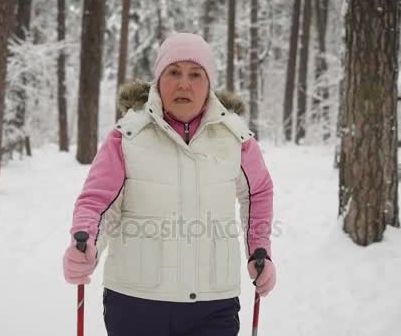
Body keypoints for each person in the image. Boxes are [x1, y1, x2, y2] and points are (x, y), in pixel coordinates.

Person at [63, 32, 276, 336]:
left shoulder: (236, 138)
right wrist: (86, 246)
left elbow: (259, 193)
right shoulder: (127, 136)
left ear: (209, 84)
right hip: (135, 302)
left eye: (195, 74)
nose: (184, 84)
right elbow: (96, 202)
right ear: (158, 80)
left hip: (212, 304)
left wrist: (260, 250)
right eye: (174, 72)